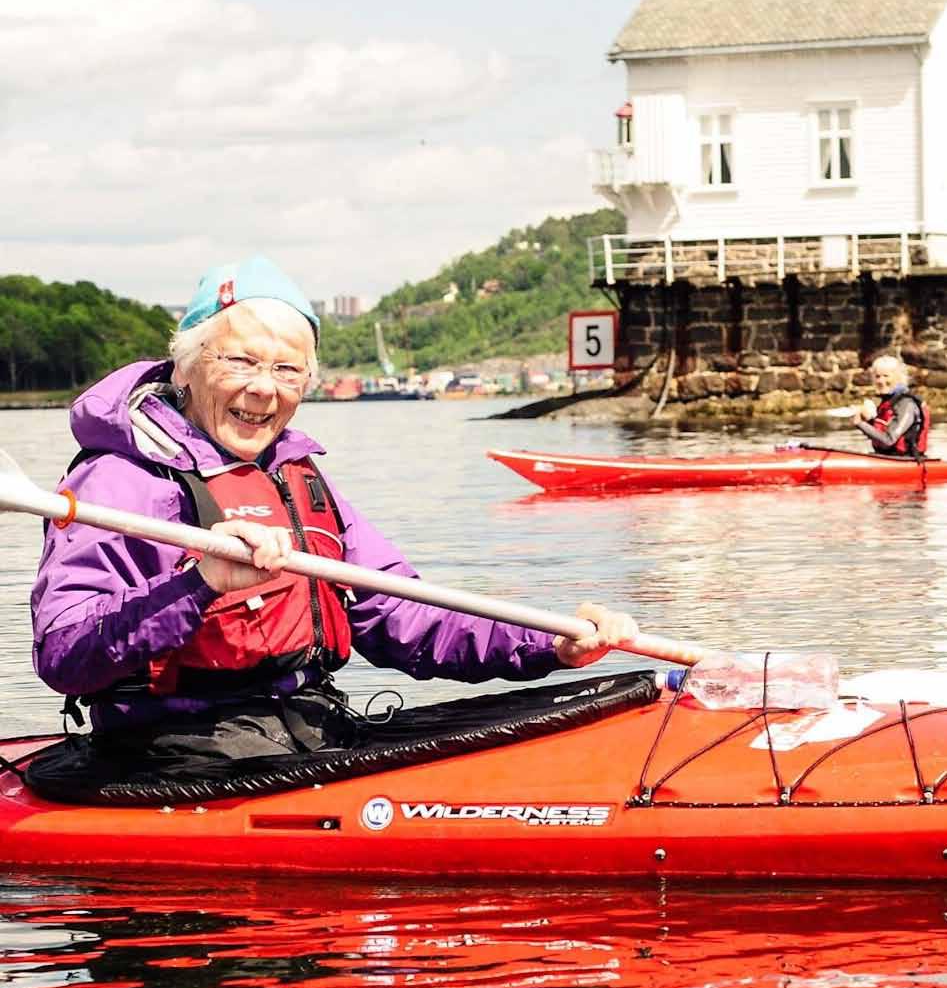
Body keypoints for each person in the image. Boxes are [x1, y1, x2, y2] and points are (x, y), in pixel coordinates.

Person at [31, 256, 637, 780]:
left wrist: (546, 645)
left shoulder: (297, 476)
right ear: (185, 366)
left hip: (304, 730)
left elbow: (401, 613)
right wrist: (200, 582)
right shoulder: (120, 480)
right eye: (241, 362)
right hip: (172, 755)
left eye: (288, 370)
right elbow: (65, 655)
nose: (265, 389)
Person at [852, 354, 930, 458]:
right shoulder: (888, 402)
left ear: (898, 377)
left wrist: (860, 423)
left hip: (905, 461)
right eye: (877, 376)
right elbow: (881, 433)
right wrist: (869, 421)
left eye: (886, 376)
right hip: (886, 457)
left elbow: (888, 440)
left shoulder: (906, 404)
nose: (880, 381)